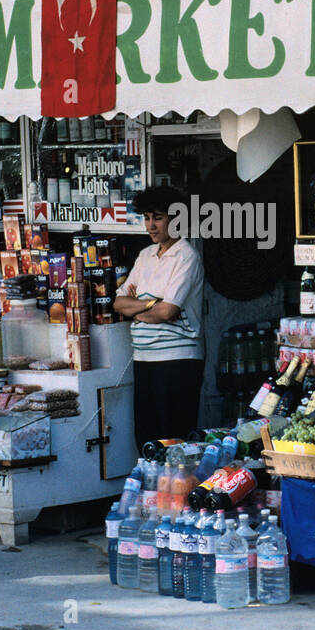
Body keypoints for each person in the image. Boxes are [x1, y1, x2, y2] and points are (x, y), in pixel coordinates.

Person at [113, 185, 206, 449]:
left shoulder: (187, 256)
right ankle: (152, 491)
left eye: (158, 217)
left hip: (177, 361)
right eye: (146, 218)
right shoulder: (145, 256)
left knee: (174, 439)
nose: (150, 226)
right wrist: (151, 304)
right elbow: (119, 303)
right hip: (144, 359)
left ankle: (178, 491)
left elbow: (167, 311)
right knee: (146, 438)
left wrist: (138, 306)